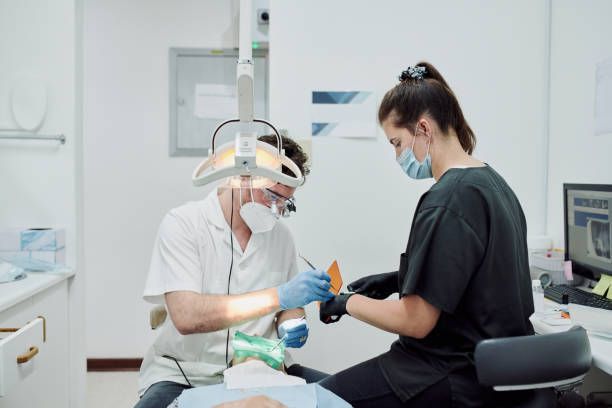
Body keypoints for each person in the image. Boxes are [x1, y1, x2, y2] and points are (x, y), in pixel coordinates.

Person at [318, 62, 535, 407]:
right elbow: (473, 277)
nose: (398, 155)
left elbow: (415, 321)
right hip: (486, 373)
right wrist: (395, 280)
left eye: (397, 142)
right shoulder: (492, 183)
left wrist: (347, 303)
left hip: (446, 374)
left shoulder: (448, 199)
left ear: (423, 128)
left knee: (319, 399)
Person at [135, 135, 334, 408]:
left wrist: (292, 321)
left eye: (285, 203)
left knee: (341, 396)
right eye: (272, 196)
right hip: (186, 373)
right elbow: (186, 315)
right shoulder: (184, 224)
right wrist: (280, 296)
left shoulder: (281, 236)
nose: (276, 209)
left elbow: (289, 306)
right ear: (242, 177)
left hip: (262, 369)